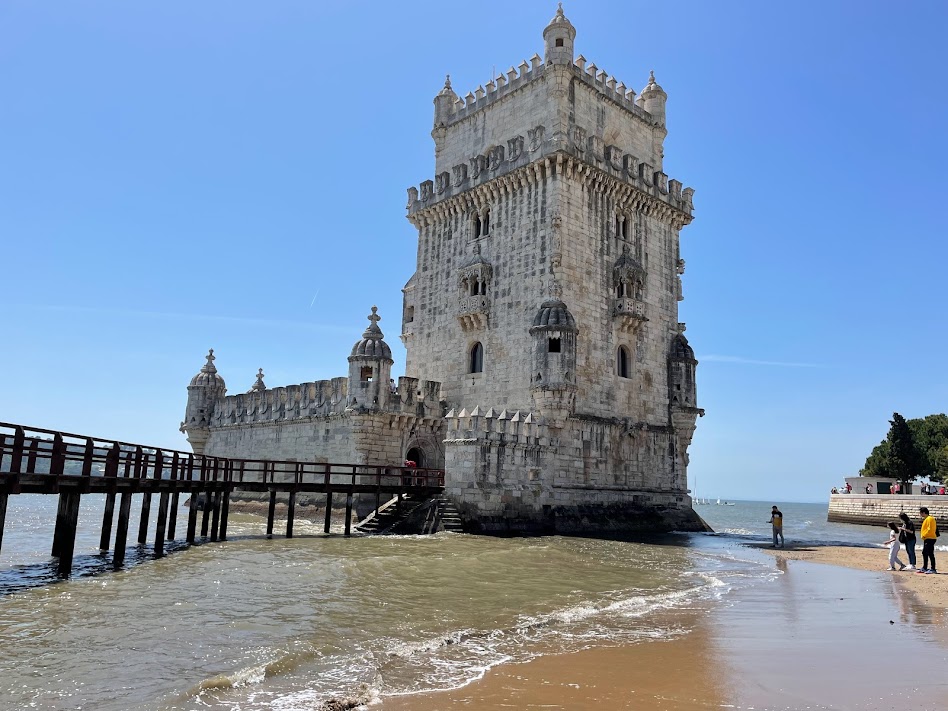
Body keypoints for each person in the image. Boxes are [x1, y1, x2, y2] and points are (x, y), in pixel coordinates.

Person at [918, 507, 938, 574]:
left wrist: (924, 535)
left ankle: (933, 569)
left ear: (923, 512)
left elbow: (930, 529)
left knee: (930, 553)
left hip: (930, 538)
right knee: (925, 552)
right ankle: (924, 567)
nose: (920, 514)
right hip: (928, 538)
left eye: (920, 513)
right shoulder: (927, 519)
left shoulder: (930, 519)